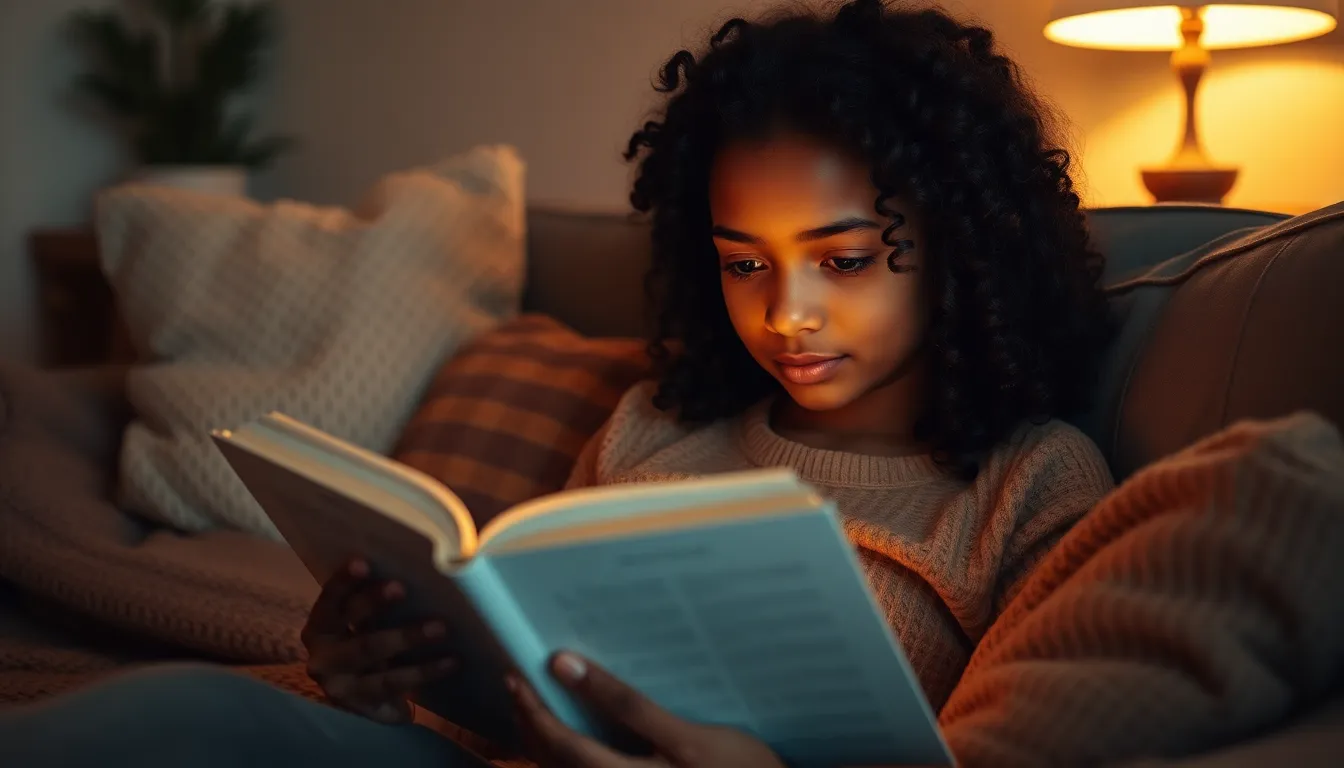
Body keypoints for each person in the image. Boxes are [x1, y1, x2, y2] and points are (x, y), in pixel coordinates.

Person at [0, 1, 1122, 766]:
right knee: (180, 713)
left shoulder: (1032, 487)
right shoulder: (652, 430)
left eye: (844, 260)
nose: (787, 311)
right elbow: (518, 693)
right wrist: (371, 670)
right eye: (744, 262)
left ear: (965, 248)